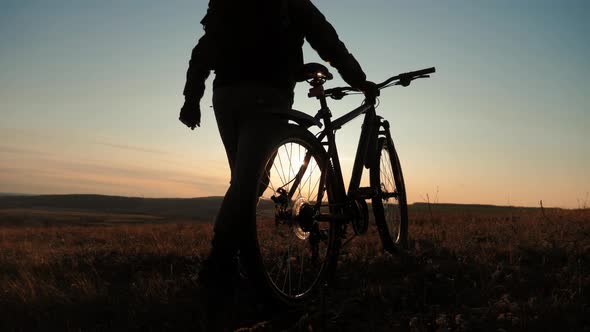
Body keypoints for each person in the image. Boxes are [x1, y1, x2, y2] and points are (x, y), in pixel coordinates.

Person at [179, 0, 378, 300]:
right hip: (268, 94)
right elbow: (329, 43)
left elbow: (203, 51)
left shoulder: (228, 5)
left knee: (245, 182)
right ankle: (218, 265)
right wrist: (359, 80)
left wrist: (192, 99)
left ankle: (230, 264)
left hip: (225, 96)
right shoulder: (292, 2)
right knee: (250, 182)